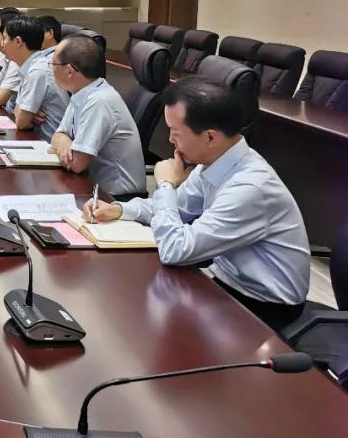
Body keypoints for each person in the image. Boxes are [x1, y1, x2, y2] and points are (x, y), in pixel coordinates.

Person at [84, 76, 310, 332]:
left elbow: (175, 250)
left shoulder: (250, 187)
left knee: (147, 323)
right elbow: (174, 207)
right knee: (130, 301)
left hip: (263, 306)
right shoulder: (215, 162)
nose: (170, 140)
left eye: (176, 132)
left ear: (210, 137)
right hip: (225, 281)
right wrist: (120, 209)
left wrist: (166, 184)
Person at [48, 35, 146, 199]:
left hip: (119, 199)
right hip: (94, 189)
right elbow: (58, 135)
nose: (51, 69)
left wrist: (63, 144)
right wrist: (64, 142)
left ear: (70, 71)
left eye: (53, 64)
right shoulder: (83, 91)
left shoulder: (98, 101)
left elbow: (77, 163)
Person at [1, 14, 69, 141]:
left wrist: (25, 114)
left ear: (18, 42)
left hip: (47, 145)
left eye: (4, 38)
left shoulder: (38, 71)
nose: (2, 43)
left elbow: (21, 122)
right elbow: (17, 112)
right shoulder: (32, 65)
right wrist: (28, 113)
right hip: (34, 138)